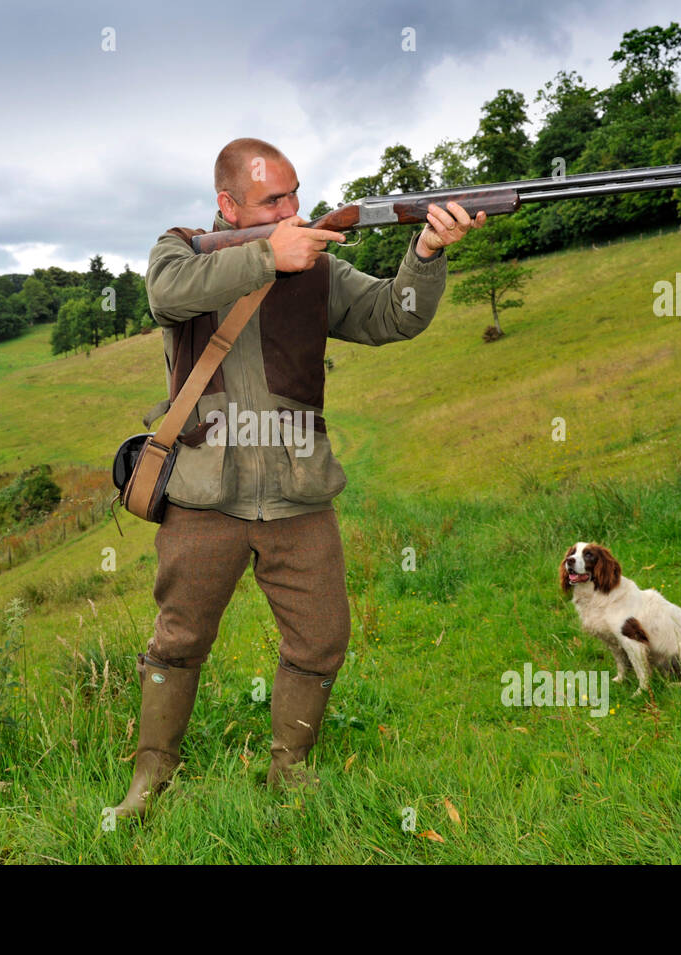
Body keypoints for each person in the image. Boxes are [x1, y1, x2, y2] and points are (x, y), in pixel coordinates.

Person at [114, 137, 480, 818]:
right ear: (228, 204)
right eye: (273, 199)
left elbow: (391, 316)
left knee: (321, 638)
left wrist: (425, 254)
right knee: (179, 639)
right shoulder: (183, 249)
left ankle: (291, 770)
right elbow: (166, 295)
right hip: (203, 493)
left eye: (295, 193)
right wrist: (264, 257)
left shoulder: (319, 266)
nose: (293, 208)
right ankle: (151, 777)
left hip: (299, 491)